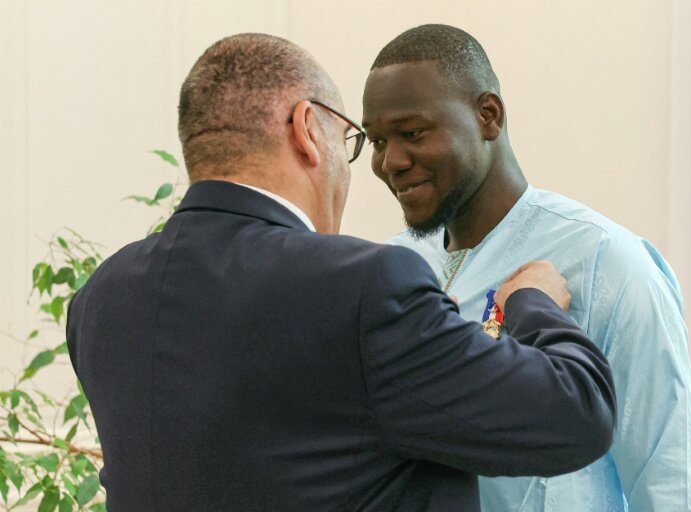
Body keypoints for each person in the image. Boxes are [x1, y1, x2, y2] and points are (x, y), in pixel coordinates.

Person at [65, 33, 616, 512]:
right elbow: (575, 416)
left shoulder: (101, 298)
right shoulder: (362, 287)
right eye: (356, 141)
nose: (374, 167)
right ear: (307, 130)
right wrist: (530, 304)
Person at [362, 24, 691, 512]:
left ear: (488, 116)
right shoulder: (394, 268)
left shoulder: (604, 261)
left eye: (411, 133)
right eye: (376, 141)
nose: (390, 161)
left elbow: (668, 476)